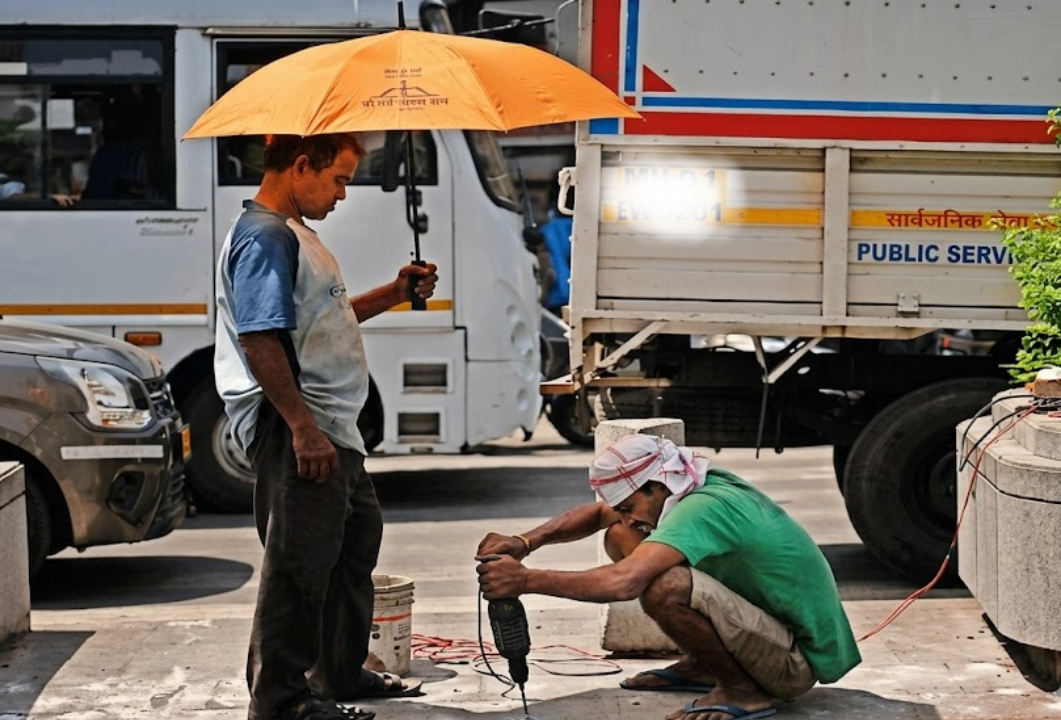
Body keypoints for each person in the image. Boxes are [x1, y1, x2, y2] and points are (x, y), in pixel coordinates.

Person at [214, 133, 436, 720]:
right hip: (301, 424)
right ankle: (281, 701)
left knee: (354, 543)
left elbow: (322, 322)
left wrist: (394, 293)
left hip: (332, 426)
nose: (342, 194)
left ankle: (337, 671)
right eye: (338, 179)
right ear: (300, 166)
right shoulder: (266, 237)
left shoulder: (294, 235)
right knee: (299, 564)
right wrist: (302, 428)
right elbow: (259, 339)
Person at [476, 434, 860, 720]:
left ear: (657, 487)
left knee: (663, 585)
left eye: (629, 505)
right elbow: (598, 514)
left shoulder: (701, 509)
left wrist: (525, 580)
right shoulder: (683, 483)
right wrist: (525, 541)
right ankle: (704, 666)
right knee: (622, 536)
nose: (626, 516)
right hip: (772, 635)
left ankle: (743, 691)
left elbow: (623, 582)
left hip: (793, 663)